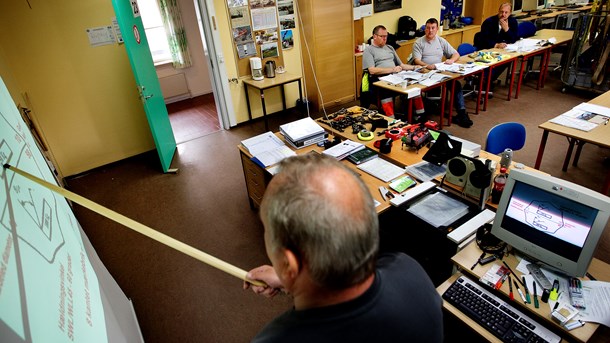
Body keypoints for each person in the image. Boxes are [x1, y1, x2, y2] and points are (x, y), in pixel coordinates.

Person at [243, 154, 443, 343]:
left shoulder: (273, 339)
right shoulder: (409, 268)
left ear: (288, 264)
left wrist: (293, 277)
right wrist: (290, 279)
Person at [412, 18, 473, 128]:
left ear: (436, 29)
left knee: (456, 85)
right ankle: (422, 113)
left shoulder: (441, 41)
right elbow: (416, 60)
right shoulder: (419, 42)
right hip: (425, 72)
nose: (430, 31)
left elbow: (456, 54)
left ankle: (462, 113)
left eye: (433, 28)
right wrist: (427, 65)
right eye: (428, 28)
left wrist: (451, 60)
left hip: (439, 70)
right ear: (425, 29)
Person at [362, 25, 427, 122]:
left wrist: (415, 68)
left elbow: (401, 65)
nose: (385, 39)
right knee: (386, 91)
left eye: (386, 36)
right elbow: (372, 70)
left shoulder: (390, 48)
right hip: (380, 79)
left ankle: (420, 115)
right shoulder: (369, 50)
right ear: (374, 36)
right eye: (382, 36)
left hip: (395, 76)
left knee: (413, 86)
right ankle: (391, 120)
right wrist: (392, 69)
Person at [475, 3, 519, 87]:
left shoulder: (513, 22)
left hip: (502, 50)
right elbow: (483, 39)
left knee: (507, 60)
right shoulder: (489, 22)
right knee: (494, 61)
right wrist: (496, 45)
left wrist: (507, 30)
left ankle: (489, 79)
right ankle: (486, 81)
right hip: (487, 48)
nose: (503, 14)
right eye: (501, 12)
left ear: (510, 13)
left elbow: (513, 39)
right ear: (498, 11)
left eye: (506, 12)